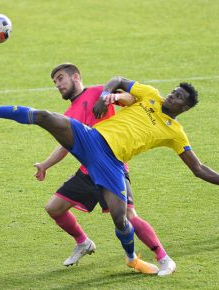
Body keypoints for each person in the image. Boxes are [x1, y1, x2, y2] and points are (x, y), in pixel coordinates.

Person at [0, 76, 219, 274]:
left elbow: (198, 169)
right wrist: (105, 94)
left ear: (186, 108)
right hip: (92, 139)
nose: (172, 96)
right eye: (174, 91)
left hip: (112, 164)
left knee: (121, 217)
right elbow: (117, 80)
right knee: (46, 117)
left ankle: (131, 259)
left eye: (179, 97)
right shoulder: (150, 95)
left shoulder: (176, 133)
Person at [34, 63, 176, 276]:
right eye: (55, 82)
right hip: (88, 171)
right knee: (54, 208)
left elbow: (132, 100)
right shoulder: (69, 112)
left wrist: (114, 97)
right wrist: (45, 165)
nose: (58, 85)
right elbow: (65, 145)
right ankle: (83, 243)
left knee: (128, 217)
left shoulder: (99, 91)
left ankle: (163, 258)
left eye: (61, 78)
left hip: (112, 167)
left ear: (76, 77)